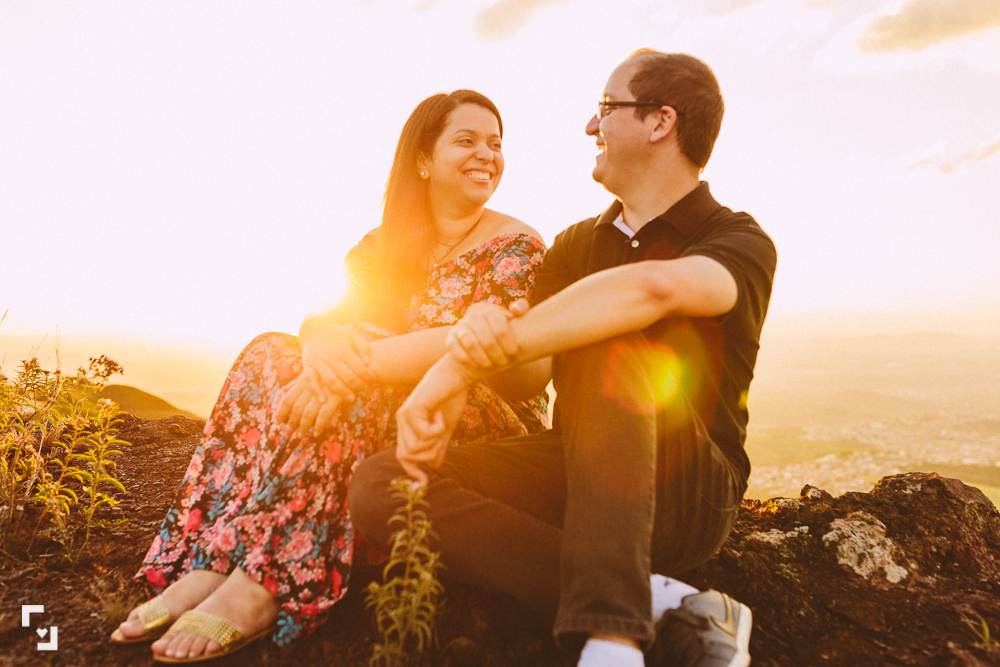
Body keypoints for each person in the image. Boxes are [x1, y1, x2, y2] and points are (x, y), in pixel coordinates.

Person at [349, 50, 777, 667]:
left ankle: (612, 646)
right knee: (382, 484)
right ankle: (665, 604)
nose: (589, 127)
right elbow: (529, 369)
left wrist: (449, 369)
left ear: (660, 122)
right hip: (577, 468)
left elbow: (650, 291)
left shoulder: (735, 239)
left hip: (688, 487)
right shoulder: (577, 244)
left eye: (605, 109)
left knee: (614, 340)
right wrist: (483, 332)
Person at [109, 89, 550, 663]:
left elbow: (485, 344)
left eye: (495, 144)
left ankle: (270, 583)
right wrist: (320, 344)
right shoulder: (384, 243)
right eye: (466, 140)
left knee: (367, 375)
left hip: (473, 411)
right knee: (268, 352)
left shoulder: (514, 243)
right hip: (380, 388)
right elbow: (328, 313)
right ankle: (215, 559)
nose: (486, 155)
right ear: (422, 158)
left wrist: (355, 364)